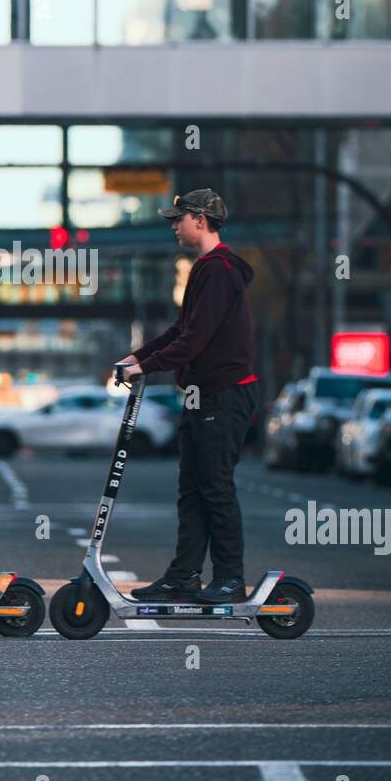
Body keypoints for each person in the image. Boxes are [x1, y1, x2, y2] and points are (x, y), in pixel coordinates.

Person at [117, 189, 258, 604]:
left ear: (200, 219)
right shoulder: (204, 269)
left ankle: (230, 578)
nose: (174, 226)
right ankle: (184, 576)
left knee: (215, 488)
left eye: (178, 219)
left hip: (223, 395)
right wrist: (137, 356)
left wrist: (146, 366)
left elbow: (195, 340)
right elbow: (181, 330)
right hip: (202, 396)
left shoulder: (218, 270)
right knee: (192, 490)